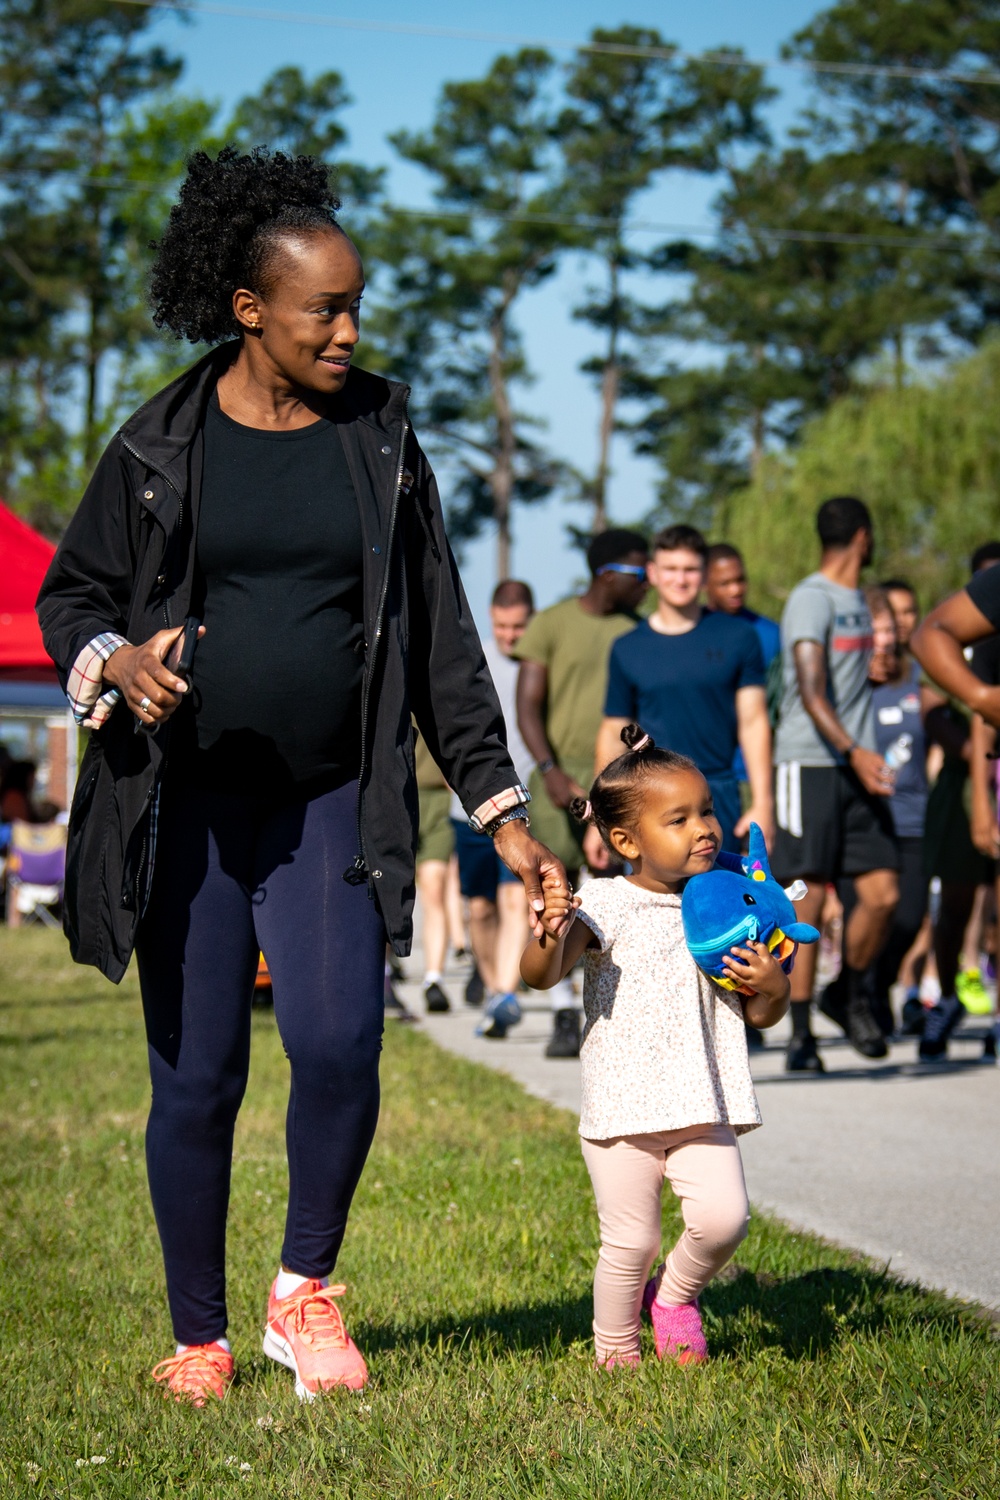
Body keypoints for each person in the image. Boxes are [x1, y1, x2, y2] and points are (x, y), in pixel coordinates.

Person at [36, 147, 571, 1407]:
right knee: (201, 1074)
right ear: (249, 311)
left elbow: (439, 633)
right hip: (190, 805)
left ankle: (301, 1294)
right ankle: (201, 1337)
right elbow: (73, 595)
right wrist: (116, 659)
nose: (348, 330)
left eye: (355, 305)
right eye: (323, 308)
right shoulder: (159, 441)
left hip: (333, 793)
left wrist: (502, 809)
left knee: (337, 1049)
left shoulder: (379, 436)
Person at [520, 725, 789, 1368]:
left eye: (707, 811)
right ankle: (617, 1354)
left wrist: (774, 984)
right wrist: (547, 934)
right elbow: (540, 975)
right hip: (622, 1109)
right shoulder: (605, 903)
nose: (704, 828)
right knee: (630, 1242)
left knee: (725, 1221)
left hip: (702, 1099)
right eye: (680, 819)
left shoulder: (729, 906)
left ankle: (672, 1298)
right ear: (625, 841)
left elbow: (765, 1014)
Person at [771, 496, 899, 1072]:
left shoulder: (860, 601)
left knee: (881, 894)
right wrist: (855, 749)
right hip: (811, 762)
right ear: (863, 539)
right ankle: (801, 1036)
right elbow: (811, 688)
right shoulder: (811, 598)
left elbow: (861, 680)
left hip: (855, 766)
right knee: (811, 897)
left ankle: (845, 991)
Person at [515, 528, 649, 1058]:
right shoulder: (551, 623)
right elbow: (527, 705)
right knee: (557, 892)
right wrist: (548, 769)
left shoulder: (638, 634)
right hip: (556, 780)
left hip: (616, 778)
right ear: (606, 573)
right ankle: (561, 1014)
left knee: (610, 895)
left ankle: (609, 1009)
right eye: (639, 575)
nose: (649, 585)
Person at [597, 525, 774, 854]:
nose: (680, 579)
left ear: (705, 574)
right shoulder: (627, 647)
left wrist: (764, 803)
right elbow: (613, 730)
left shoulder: (738, 636)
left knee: (722, 901)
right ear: (652, 573)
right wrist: (599, 819)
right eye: (671, 569)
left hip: (717, 795)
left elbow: (754, 722)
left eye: (690, 570)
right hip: (649, 797)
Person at [913, 544, 1000, 1059]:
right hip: (974, 779)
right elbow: (975, 721)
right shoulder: (980, 647)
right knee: (959, 901)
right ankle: (945, 997)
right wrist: (983, 805)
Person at [449, 580, 536, 1039]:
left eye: (519, 625)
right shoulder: (471, 658)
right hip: (468, 809)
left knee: (512, 898)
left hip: (522, 805)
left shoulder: (540, 664)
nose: (510, 635)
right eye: (502, 626)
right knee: (479, 909)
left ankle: (506, 991)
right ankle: (490, 983)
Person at [414, 732, 458, 1013]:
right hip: (398, 794)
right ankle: (382, 976)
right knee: (386, 891)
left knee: (434, 889)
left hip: (439, 800)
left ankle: (434, 977)